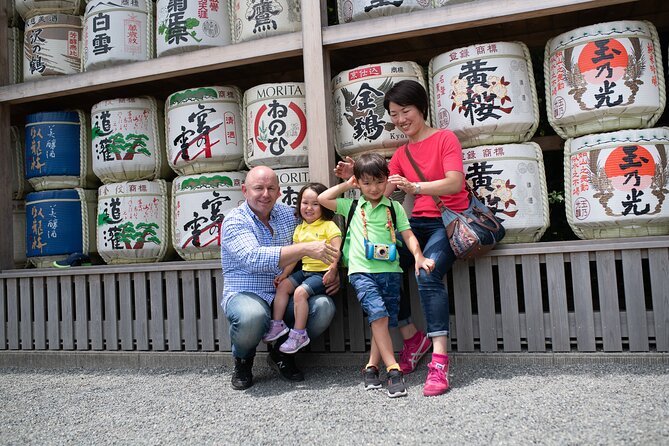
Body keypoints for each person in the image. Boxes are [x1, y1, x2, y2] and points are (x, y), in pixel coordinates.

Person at [334, 79, 469, 397]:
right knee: (386, 262)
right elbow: (380, 191)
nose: (399, 119)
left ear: (421, 107)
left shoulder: (444, 139)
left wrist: (417, 187)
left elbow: (454, 183)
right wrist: (357, 176)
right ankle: (412, 338)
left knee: (427, 272)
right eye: (394, 114)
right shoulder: (401, 153)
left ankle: (439, 361)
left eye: (405, 110)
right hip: (413, 225)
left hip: (444, 224)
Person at [319, 152, 435, 398]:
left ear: (387, 180)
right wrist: (347, 184)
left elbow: (408, 236)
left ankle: (371, 368)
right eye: (367, 182)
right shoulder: (350, 204)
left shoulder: (394, 208)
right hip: (361, 272)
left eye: (379, 181)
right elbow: (322, 198)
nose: (373, 188)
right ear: (359, 183)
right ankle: (393, 369)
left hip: (391, 272)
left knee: (380, 319)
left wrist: (419, 256)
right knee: (380, 316)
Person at [220, 166, 340, 390]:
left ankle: (282, 353)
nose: (265, 194)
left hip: (287, 291)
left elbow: (320, 236)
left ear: (279, 192)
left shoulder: (289, 214)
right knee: (251, 316)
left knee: (323, 307)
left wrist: (333, 271)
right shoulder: (235, 221)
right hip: (248, 293)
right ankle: (243, 361)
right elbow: (252, 257)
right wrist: (304, 249)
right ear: (244, 190)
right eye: (258, 188)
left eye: (270, 188)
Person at [263, 183, 342, 354]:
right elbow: (296, 255)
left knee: (300, 293)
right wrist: (285, 274)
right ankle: (277, 324)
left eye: (315, 204)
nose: (309, 208)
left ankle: (299, 334)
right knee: (283, 287)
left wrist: (334, 269)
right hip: (305, 271)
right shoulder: (300, 228)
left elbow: (337, 250)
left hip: (321, 273)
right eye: (305, 203)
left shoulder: (329, 226)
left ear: (324, 205)